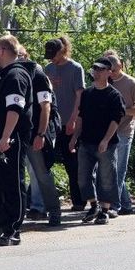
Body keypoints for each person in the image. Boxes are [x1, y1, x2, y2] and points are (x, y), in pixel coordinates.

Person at [0, 34, 32, 246]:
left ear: (2, 50)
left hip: (9, 138)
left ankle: (13, 227)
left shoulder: (16, 75)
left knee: (11, 183)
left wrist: (6, 135)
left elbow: (15, 108)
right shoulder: (1, 75)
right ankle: (0, 221)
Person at [70, 57, 125, 225]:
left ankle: (105, 210)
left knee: (107, 177)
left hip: (106, 144)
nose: (97, 71)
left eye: (101, 69)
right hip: (86, 142)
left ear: (109, 72)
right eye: (95, 68)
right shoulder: (87, 93)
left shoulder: (114, 95)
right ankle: (93, 206)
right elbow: (81, 117)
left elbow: (116, 120)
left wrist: (106, 140)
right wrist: (74, 137)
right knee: (83, 178)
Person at [19, 51, 62, 226]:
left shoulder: (38, 75)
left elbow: (46, 107)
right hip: (18, 133)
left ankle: (54, 210)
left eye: (21, 55)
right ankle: (16, 213)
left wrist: (41, 134)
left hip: (35, 133)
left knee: (42, 174)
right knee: (16, 176)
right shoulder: (10, 73)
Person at [44, 37, 86, 211]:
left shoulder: (75, 68)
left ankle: (79, 201)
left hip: (69, 122)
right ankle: (43, 202)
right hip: (52, 125)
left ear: (63, 50)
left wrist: (73, 120)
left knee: (72, 164)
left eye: (54, 54)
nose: (52, 58)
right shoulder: (48, 69)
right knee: (45, 162)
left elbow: (80, 96)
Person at [105, 53, 135, 215]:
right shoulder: (103, 82)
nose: (110, 74)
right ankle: (126, 204)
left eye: (113, 70)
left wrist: (121, 111)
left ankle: (114, 206)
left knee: (118, 170)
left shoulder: (131, 83)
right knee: (110, 169)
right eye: (107, 70)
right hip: (107, 131)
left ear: (120, 66)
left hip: (124, 131)